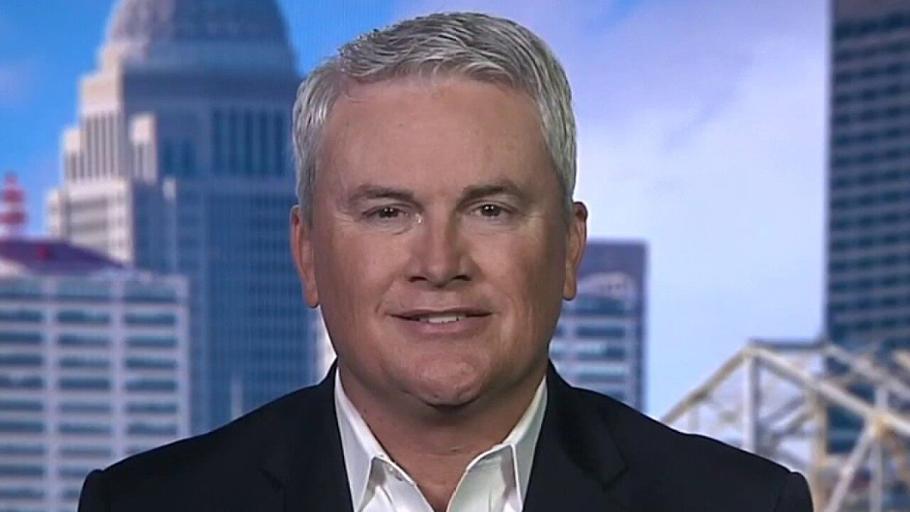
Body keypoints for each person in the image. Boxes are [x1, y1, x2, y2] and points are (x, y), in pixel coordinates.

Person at [79, 12, 813, 512]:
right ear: (307, 254)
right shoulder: (148, 504)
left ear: (569, 248)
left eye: (490, 209)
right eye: (387, 213)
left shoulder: (741, 504)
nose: (438, 263)